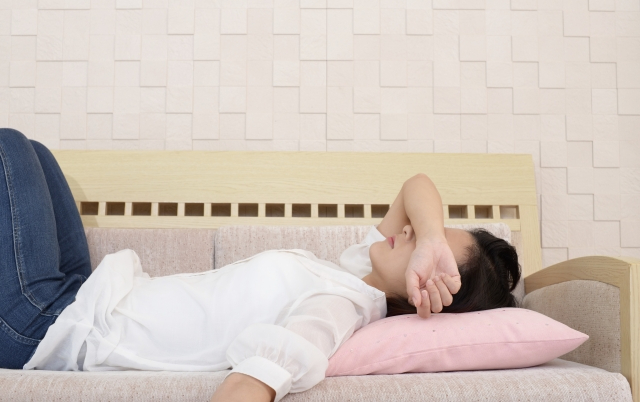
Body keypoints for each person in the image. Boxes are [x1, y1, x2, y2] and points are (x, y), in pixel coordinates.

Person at [0, 128, 521, 402]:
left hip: (47, 326)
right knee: (36, 151)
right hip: (87, 294)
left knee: (8, 145)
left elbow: (255, 380)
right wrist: (429, 240)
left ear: (424, 297)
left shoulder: (337, 308)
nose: (409, 231)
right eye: (425, 232)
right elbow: (416, 185)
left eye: (427, 250)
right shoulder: (354, 270)